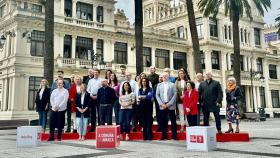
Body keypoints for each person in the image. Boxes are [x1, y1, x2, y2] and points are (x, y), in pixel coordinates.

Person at [156, 72, 177, 140]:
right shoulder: (159, 85)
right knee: (163, 121)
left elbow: (175, 95)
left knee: (173, 121)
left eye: (166, 76)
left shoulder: (172, 85)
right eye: (163, 76)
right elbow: (157, 95)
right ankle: (164, 135)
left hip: (170, 105)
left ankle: (174, 136)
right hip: (162, 105)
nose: (164, 77)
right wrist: (161, 104)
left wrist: (169, 104)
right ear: (162, 77)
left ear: (168, 77)